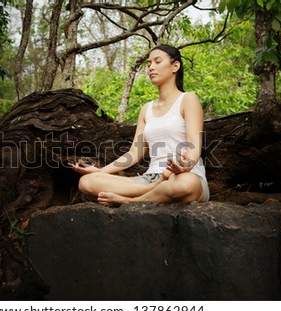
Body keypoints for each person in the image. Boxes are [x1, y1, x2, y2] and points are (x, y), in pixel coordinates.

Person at [70, 44, 210, 206]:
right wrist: (101, 171)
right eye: (149, 64)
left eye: (157, 62)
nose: (151, 67)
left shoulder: (188, 99)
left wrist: (183, 167)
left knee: (185, 184)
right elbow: (134, 153)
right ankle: (154, 188)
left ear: (175, 66)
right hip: (150, 178)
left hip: (183, 176)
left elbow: (194, 147)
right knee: (87, 182)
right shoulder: (146, 109)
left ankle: (128, 201)